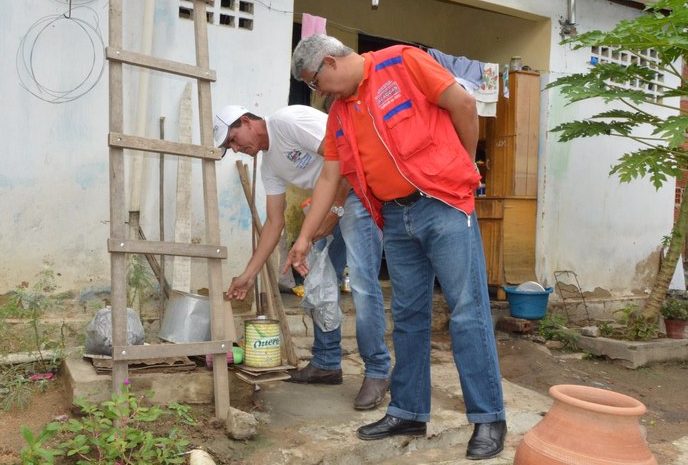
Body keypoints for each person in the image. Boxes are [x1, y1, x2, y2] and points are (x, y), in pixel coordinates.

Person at [286, 35, 507, 460]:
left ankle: (488, 417)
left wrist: (459, 175)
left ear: (330, 62)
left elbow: (462, 105)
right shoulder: (338, 115)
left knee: (466, 310)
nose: (320, 92)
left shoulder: (403, 62)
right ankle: (408, 410)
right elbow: (330, 178)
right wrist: (303, 238)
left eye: (316, 82)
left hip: (443, 205)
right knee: (407, 315)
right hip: (395, 217)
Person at [214, 104, 392, 410]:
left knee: (362, 283)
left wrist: (334, 211)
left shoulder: (288, 121)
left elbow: (347, 155)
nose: (235, 149)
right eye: (230, 147)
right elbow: (274, 222)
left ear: (245, 121)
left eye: (232, 140)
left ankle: (377, 371)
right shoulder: (269, 164)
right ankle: (326, 362)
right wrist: (249, 274)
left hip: (359, 192)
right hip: (328, 203)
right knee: (319, 283)